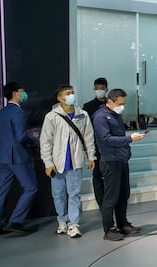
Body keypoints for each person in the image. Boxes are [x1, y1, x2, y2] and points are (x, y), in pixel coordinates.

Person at [40, 85, 96, 238]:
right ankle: (62, 221)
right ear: (60, 98)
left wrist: (91, 156)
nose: (71, 95)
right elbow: (45, 142)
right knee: (58, 195)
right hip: (57, 164)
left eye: (72, 93)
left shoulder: (82, 115)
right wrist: (48, 163)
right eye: (68, 93)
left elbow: (88, 137)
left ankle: (74, 224)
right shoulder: (52, 117)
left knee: (74, 194)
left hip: (75, 161)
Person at [93, 88, 147, 241]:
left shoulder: (115, 115)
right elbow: (106, 139)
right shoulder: (100, 117)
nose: (122, 106)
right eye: (120, 103)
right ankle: (108, 229)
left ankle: (122, 223)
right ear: (110, 101)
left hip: (121, 159)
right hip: (110, 161)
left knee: (123, 195)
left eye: (124, 103)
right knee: (111, 197)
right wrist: (130, 139)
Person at [0, 82, 39, 237]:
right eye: (22, 91)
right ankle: (16, 221)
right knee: (31, 188)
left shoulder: (1, 112)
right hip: (17, 155)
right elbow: (20, 136)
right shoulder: (19, 113)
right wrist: (34, 139)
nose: (24, 94)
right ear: (16, 93)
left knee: (2, 190)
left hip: (3, 155)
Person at [83, 77, 108, 207]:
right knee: (97, 174)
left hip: (110, 145)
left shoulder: (111, 104)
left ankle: (111, 200)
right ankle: (101, 202)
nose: (99, 91)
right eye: (97, 89)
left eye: (102, 89)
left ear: (106, 89)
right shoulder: (88, 107)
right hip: (96, 145)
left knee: (110, 175)